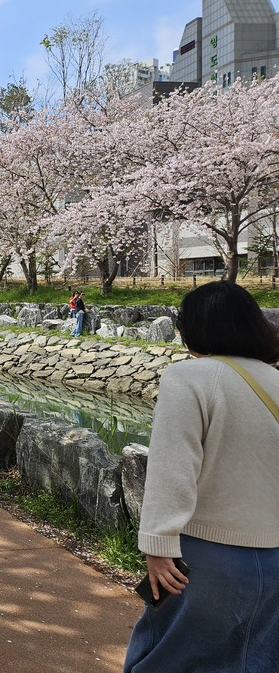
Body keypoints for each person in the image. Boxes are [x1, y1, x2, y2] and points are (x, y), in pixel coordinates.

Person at [123, 281, 279, 672]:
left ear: (192, 328)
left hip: (205, 554)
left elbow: (173, 465)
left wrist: (158, 545)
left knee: (165, 657)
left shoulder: (190, 377)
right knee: (252, 661)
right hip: (274, 556)